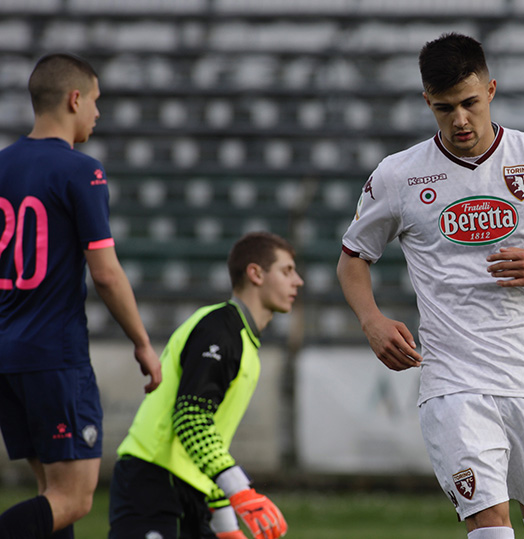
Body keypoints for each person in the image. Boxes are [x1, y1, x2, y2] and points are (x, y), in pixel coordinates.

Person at [337, 33, 524, 539]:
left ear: (491, 90)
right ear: (427, 102)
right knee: (491, 529)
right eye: (444, 108)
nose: (459, 119)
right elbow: (352, 259)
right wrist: (371, 320)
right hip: (455, 382)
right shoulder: (399, 176)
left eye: (469, 103)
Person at [0, 53, 162, 539]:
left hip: (7, 353)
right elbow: (106, 274)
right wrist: (141, 342)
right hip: (53, 352)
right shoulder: (81, 172)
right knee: (74, 498)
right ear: (75, 99)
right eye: (95, 101)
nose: (97, 113)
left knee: (52, 488)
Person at [108, 231, 303, 539]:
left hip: (189, 492)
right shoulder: (220, 330)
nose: (298, 282)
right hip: (154, 481)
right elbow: (191, 418)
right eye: (287, 271)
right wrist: (241, 491)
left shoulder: (244, 343)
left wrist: (224, 520)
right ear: (255, 273)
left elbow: (210, 441)